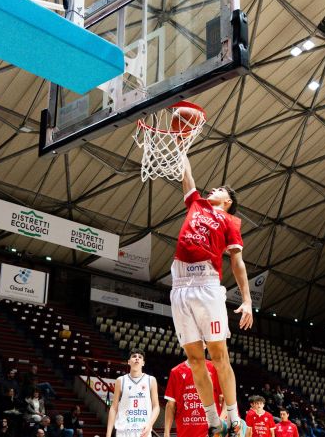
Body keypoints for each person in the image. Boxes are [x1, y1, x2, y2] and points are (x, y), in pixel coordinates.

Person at [172, 153, 253, 437]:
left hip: (207, 284)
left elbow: (237, 261)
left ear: (228, 200)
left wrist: (247, 300)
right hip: (180, 285)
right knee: (195, 361)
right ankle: (213, 424)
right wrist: (181, 147)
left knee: (219, 357)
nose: (212, 190)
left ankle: (233, 417)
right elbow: (187, 176)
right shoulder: (196, 204)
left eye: (218, 189)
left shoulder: (230, 221)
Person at [105, 349, 160, 437]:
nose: (137, 358)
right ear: (129, 362)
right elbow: (114, 408)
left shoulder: (151, 380)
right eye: (134, 356)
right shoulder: (121, 380)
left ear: (143, 363)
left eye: (140, 357)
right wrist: (108, 434)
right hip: (123, 431)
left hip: (143, 431)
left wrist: (149, 425)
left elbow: (156, 407)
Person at [164, 359, 223, 437]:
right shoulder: (176, 371)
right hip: (185, 433)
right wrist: (166, 433)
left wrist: (219, 425)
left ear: (205, 346)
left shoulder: (214, 368)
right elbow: (170, 405)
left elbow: (225, 400)